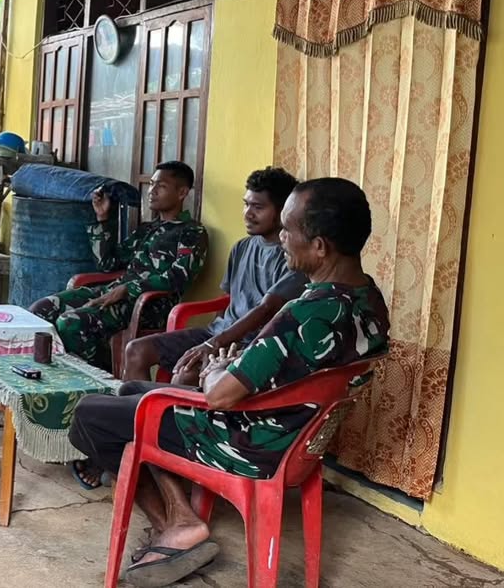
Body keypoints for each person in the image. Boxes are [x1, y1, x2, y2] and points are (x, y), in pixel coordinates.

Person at [68, 177, 389, 587]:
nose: (282, 238)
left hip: (251, 440)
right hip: (298, 437)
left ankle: (177, 526)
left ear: (320, 246)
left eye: (288, 229)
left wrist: (214, 371)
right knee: (132, 392)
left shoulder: (305, 313)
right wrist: (227, 368)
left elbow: (219, 395)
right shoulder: (370, 299)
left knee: (90, 416)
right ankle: (180, 517)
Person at [122, 167, 307, 384]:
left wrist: (214, 344)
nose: (248, 213)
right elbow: (227, 301)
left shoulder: (293, 257)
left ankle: (163, 404)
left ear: (283, 211)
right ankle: (139, 404)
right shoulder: (242, 247)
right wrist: (212, 337)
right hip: (219, 332)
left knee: (185, 376)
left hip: (253, 342)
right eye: (246, 204)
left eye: (258, 207)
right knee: (136, 350)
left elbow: (266, 309)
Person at [30, 161, 209, 371]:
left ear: (182, 193)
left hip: (149, 305)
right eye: (151, 184)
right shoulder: (148, 229)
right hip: (115, 292)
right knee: (41, 310)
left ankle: (102, 375)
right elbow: (107, 264)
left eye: (160, 186)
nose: (151, 191)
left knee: (71, 323)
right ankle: (49, 371)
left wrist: (128, 289)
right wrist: (102, 218)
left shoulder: (191, 232)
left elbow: (180, 277)